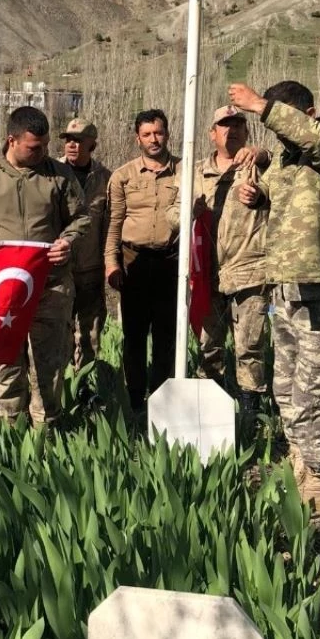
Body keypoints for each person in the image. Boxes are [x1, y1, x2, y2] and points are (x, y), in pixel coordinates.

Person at [229, 79, 320, 513]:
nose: (279, 133)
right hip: (285, 288)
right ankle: (302, 458)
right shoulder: (286, 159)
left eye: (283, 119)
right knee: (285, 388)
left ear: (308, 111)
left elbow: (319, 142)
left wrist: (260, 106)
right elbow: (278, 191)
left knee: (313, 391)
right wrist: (256, 193)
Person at [0, 106, 89, 427]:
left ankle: (45, 437)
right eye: (33, 147)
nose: (42, 153)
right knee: (6, 370)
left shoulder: (60, 177)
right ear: (12, 140)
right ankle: (12, 437)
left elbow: (81, 218)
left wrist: (68, 241)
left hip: (50, 289)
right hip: (2, 296)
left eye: (45, 145)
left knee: (48, 372)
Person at [168, 105, 271, 417]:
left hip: (249, 270)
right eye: (224, 126)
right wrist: (190, 212)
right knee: (208, 345)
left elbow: (279, 172)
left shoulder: (258, 166)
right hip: (207, 274)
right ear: (212, 134)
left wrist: (260, 189)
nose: (232, 130)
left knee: (250, 346)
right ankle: (209, 410)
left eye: (239, 124)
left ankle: (251, 412)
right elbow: (172, 217)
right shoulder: (193, 172)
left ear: (247, 131)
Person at [104, 109, 181, 413]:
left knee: (166, 336)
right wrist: (112, 262)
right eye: (147, 134)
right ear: (137, 138)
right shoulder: (123, 176)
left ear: (167, 134)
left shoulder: (184, 171)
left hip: (170, 261)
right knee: (134, 336)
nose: (153, 139)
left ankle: (162, 401)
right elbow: (114, 222)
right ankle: (134, 400)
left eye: (158, 133)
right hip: (133, 261)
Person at [58, 118, 111, 370]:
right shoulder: (51, 173)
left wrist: (110, 263)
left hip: (91, 269)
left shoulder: (105, 179)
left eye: (78, 140)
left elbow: (111, 226)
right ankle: (63, 391)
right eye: (68, 139)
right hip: (58, 270)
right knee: (59, 334)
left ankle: (86, 387)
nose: (71, 145)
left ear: (93, 144)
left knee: (91, 334)